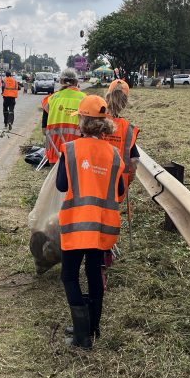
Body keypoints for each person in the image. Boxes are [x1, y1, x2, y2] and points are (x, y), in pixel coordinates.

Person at [57, 95, 125, 349]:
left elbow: (62, 185)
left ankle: (82, 335)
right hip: (102, 226)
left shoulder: (71, 149)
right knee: (94, 273)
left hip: (76, 225)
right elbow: (118, 190)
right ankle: (93, 328)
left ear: (83, 121)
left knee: (69, 275)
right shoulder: (114, 154)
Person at [102, 79, 140, 286]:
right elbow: (133, 161)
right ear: (125, 102)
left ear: (106, 96)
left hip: (90, 180)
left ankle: (96, 258)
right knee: (108, 221)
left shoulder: (96, 120)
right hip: (116, 185)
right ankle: (105, 257)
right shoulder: (127, 128)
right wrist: (129, 180)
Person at [41, 69, 86, 165]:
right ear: (76, 82)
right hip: (76, 152)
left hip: (54, 151)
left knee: (56, 179)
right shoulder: (85, 99)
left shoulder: (51, 99)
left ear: (61, 81)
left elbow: (44, 130)